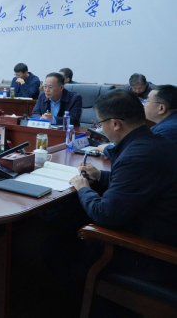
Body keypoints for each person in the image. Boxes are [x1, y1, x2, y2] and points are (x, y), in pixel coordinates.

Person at [68, 89, 177, 296]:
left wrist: (83, 188)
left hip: (152, 255)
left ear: (115, 124)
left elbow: (104, 214)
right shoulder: (158, 143)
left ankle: (77, 297)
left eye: (100, 123)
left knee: (58, 247)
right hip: (160, 230)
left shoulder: (135, 155)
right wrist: (101, 176)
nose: (101, 128)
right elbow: (139, 184)